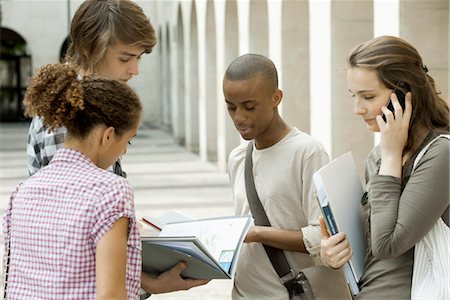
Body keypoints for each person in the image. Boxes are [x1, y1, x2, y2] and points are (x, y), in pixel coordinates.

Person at [2, 63, 208, 299]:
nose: (124, 153)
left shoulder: (22, 193)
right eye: (127, 142)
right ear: (108, 135)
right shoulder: (111, 190)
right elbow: (110, 295)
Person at [320, 35, 449, 299]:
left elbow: (387, 245)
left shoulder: (441, 153)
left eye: (368, 96)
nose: (357, 109)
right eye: (354, 96)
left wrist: (391, 157)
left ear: (404, 94)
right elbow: (371, 245)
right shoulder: (378, 155)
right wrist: (333, 252)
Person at [223, 53, 330, 299]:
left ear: (276, 98)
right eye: (231, 106)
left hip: (289, 294)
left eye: (249, 106)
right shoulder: (238, 157)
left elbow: (321, 235)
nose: (238, 117)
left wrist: (255, 234)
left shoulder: (307, 152)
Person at [27, 0, 156, 177]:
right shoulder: (70, 110)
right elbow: (69, 198)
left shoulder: (88, 100)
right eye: (125, 59)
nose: (135, 70)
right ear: (89, 49)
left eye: (138, 58)